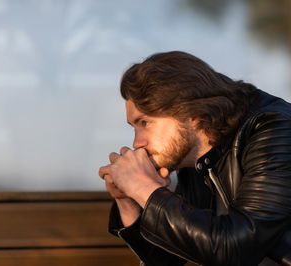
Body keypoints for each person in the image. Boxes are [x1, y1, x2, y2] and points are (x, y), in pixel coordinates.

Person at [98, 51, 291, 266]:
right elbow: (165, 258)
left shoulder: (273, 129)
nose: (136, 143)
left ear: (191, 112)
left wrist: (145, 188)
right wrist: (128, 200)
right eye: (134, 127)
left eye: (145, 123)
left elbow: (237, 250)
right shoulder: (195, 158)